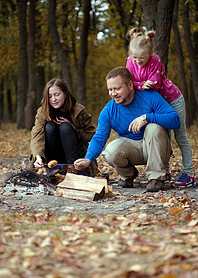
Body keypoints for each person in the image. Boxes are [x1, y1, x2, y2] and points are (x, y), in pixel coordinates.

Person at [74, 66, 181, 192]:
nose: (113, 93)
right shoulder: (109, 110)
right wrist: (88, 159)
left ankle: (156, 178)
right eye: (110, 89)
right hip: (132, 149)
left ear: (130, 85)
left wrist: (147, 118)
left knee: (153, 128)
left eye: (117, 88)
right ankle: (128, 175)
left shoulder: (150, 96)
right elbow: (99, 137)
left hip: (156, 147)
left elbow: (175, 120)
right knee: (110, 150)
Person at [125, 27, 195, 187]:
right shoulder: (130, 61)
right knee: (165, 137)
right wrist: (142, 84)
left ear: (150, 53)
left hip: (171, 99)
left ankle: (189, 173)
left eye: (142, 58)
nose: (137, 61)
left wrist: (140, 85)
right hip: (155, 104)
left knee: (180, 135)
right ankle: (165, 171)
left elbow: (154, 85)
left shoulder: (155, 60)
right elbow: (130, 83)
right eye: (134, 57)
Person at [30, 78, 98, 176]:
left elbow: (91, 135)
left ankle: (72, 168)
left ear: (65, 94)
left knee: (65, 127)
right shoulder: (43, 111)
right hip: (51, 155)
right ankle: (47, 167)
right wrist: (38, 156)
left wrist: (75, 130)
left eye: (57, 95)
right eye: (50, 96)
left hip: (74, 154)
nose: (53, 99)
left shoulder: (79, 111)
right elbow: (36, 136)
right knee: (50, 127)